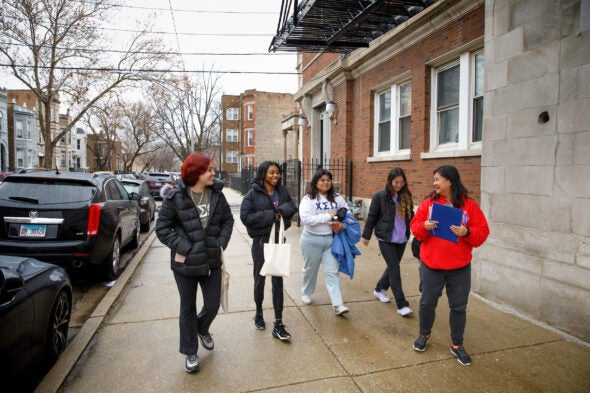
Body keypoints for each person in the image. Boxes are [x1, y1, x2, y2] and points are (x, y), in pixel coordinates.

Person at [156, 153, 234, 373]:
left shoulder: (217, 194)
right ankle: (190, 351)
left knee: (212, 305)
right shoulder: (175, 197)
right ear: (196, 172)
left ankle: (201, 328)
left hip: (211, 261)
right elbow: (162, 229)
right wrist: (186, 248)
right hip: (185, 264)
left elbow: (228, 220)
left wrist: (220, 243)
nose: (213, 172)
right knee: (187, 307)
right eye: (209, 169)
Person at [410, 165, 489, 366]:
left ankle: (457, 345)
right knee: (427, 303)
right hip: (431, 266)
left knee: (459, 307)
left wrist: (467, 233)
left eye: (437, 179)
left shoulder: (469, 206)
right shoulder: (428, 204)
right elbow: (415, 228)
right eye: (434, 179)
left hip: (459, 269)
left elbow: (482, 233)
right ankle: (424, 334)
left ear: (450, 181)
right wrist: (424, 227)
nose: (434, 183)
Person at [240, 161, 297, 341]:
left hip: (278, 240)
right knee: (260, 279)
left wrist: (279, 211)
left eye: (277, 172)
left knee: (278, 281)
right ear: (263, 173)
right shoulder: (252, 194)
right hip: (261, 243)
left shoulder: (282, 191)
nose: (275, 176)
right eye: (272, 172)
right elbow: (246, 217)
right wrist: (272, 215)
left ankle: (278, 323)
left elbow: (292, 206)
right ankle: (258, 313)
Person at [361, 167, 414, 316]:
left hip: (402, 238)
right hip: (385, 238)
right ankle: (402, 304)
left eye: (401, 182)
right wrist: (366, 235)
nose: (399, 185)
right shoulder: (380, 196)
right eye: (396, 182)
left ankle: (379, 289)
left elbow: (412, 216)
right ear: (390, 181)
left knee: (392, 267)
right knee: (395, 269)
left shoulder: (406, 196)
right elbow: (372, 216)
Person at [299, 169, 351, 316]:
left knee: (332, 272)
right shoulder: (308, 199)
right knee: (310, 269)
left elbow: (348, 215)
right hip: (311, 239)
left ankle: (338, 304)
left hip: (331, 240)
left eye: (328, 180)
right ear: (316, 182)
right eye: (322, 180)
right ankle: (306, 293)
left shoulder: (337, 198)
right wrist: (328, 216)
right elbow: (306, 219)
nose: (326, 182)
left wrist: (342, 225)